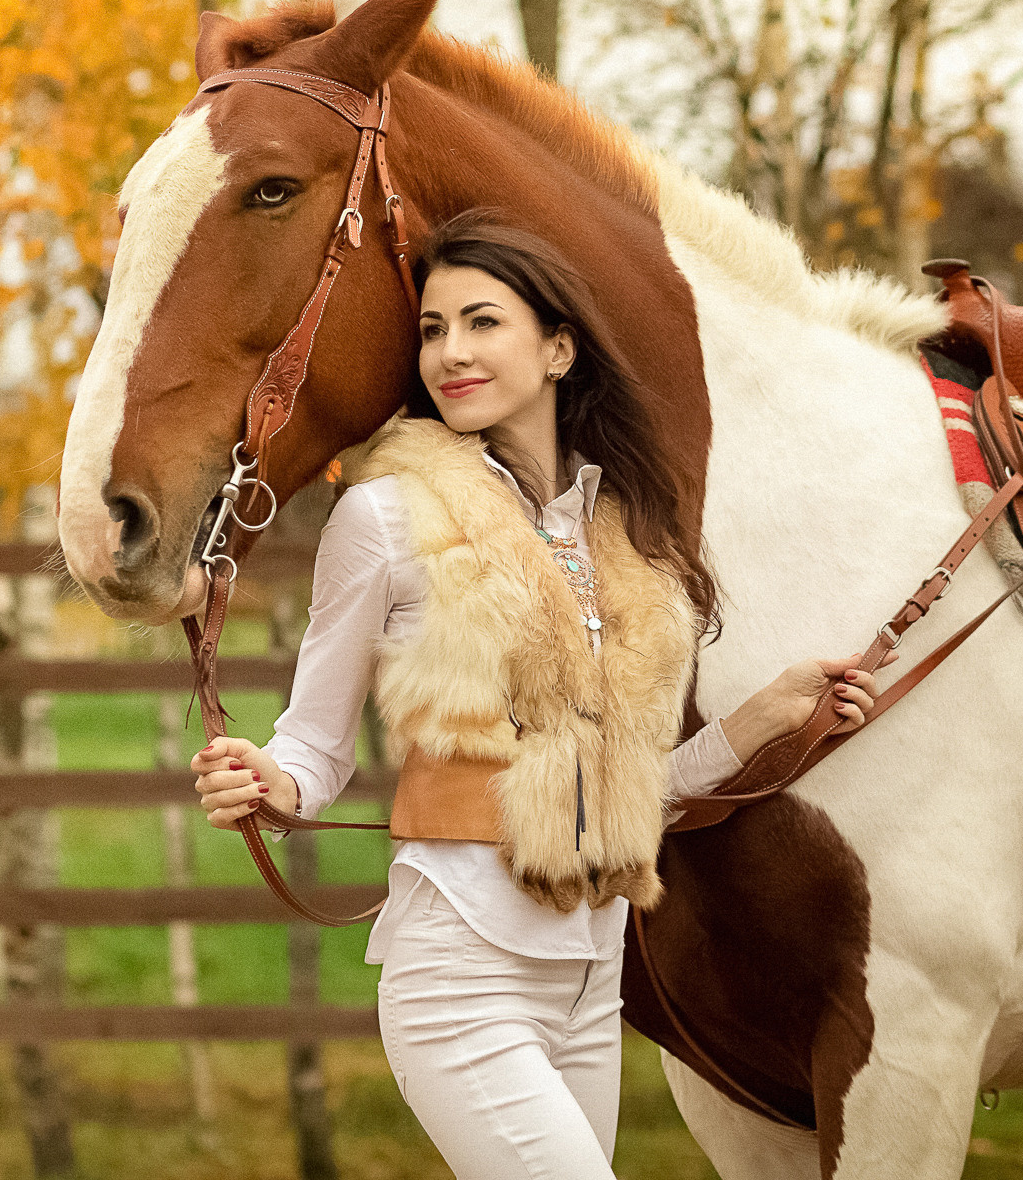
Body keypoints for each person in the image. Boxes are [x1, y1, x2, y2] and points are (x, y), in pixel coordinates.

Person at [189, 209, 886, 1178]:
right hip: (461, 968)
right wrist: (269, 779)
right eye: (432, 330)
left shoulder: (625, 537)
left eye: (482, 322)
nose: (450, 352)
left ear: (559, 348)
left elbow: (637, 786)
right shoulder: (388, 514)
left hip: (593, 976)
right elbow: (316, 743)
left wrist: (763, 719)